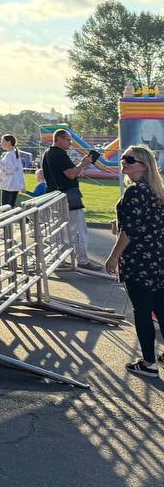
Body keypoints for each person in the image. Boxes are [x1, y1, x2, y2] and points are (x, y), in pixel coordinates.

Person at [105, 145, 164, 376]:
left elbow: (129, 231)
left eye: (129, 159)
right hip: (158, 256)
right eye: (123, 158)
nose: (123, 162)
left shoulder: (135, 192)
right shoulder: (156, 190)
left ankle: (149, 363)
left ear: (142, 165)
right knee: (160, 308)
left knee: (142, 311)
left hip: (139, 258)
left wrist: (112, 257)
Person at [41, 128, 99, 270]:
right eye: (68, 140)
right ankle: (83, 260)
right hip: (68, 195)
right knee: (78, 228)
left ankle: (58, 258)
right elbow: (71, 174)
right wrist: (83, 163)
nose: (70, 143)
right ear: (59, 139)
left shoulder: (47, 153)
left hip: (53, 195)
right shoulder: (60, 154)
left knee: (58, 229)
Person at [0, 134, 27, 207]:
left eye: (3, 141)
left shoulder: (9, 155)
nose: (1, 143)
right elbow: (19, 171)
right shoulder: (15, 154)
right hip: (15, 184)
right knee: (11, 206)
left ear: (9, 142)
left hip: (8, 185)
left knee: (5, 208)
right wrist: (22, 184)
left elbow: (9, 171)